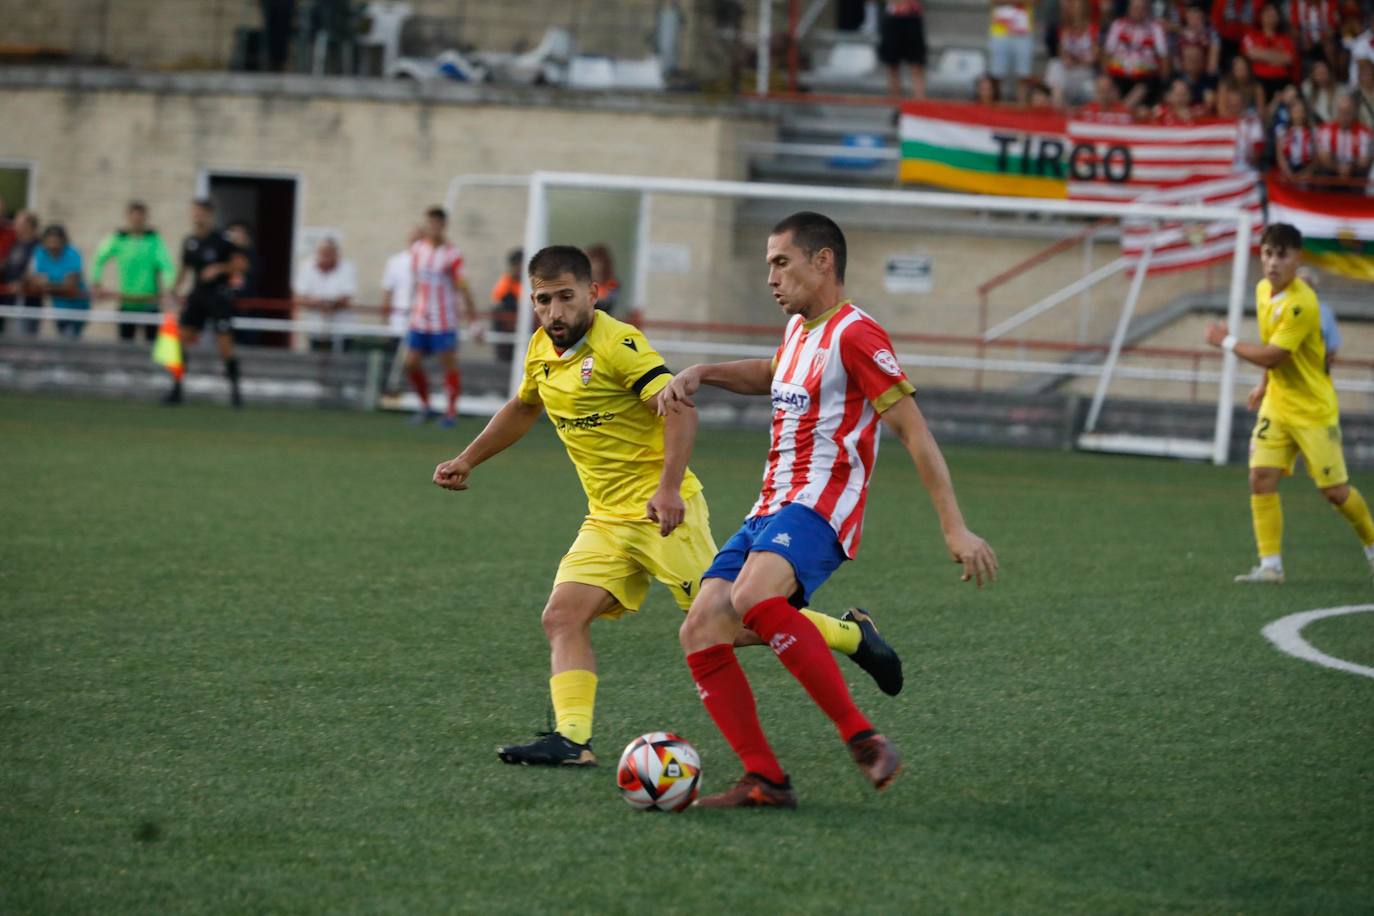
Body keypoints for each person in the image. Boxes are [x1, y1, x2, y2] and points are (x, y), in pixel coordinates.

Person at [431, 245, 902, 767]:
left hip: (662, 513)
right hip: (606, 517)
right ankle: (572, 739)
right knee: (562, 616)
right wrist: (468, 459)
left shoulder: (620, 345)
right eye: (544, 300)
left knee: (734, 620)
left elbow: (678, 407)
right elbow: (524, 406)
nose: (555, 311)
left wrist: (669, 488)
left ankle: (852, 635)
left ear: (593, 293)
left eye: (567, 297)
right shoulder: (543, 348)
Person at [657, 212, 997, 808]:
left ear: (823, 262)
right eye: (768, 265)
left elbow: (915, 433)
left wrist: (954, 525)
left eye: (780, 262)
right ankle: (765, 778)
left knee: (753, 598)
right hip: (770, 504)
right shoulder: (798, 331)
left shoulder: (857, 335)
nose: (771, 277)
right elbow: (771, 373)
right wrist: (704, 372)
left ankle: (861, 736)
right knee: (702, 626)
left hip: (822, 503)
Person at [1203, 223, 1374, 584]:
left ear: (1297, 258)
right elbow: (1274, 349)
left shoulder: (1302, 304)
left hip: (1313, 410)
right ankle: (1270, 566)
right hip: (1279, 406)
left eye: (1282, 254)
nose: (1273, 262)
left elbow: (1275, 354)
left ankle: (1372, 543)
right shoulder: (1264, 290)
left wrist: (1226, 341)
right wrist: (1264, 386)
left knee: (1334, 492)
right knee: (1260, 478)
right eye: (1267, 253)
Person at [404, 206, 478, 427]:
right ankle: (426, 406)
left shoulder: (452, 254)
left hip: (444, 320)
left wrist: (472, 319)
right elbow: (417, 283)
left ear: (444, 226)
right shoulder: (418, 249)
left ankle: (451, 413)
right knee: (410, 364)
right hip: (420, 319)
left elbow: (463, 287)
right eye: (430, 223)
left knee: (448, 365)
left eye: (437, 223)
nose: (433, 228)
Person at [169, 198, 247, 407]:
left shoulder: (221, 240)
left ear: (209, 214)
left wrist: (219, 268)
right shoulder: (190, 241)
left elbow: (240, 265)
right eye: (194, 212)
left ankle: (235, 393)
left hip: (218, 297)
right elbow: (184, 269)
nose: (197, 216)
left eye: (200, 212)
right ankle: (176, 390)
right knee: (179, 340)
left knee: (225, 347)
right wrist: (174, 290)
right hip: (198, 296)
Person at [91, 201, 177, 344]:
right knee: (125, 344)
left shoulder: (154, 240)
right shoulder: (119, 239)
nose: (137, 219)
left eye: (140, 216)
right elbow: (99, 258)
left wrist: (169, 288)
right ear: (128, 217)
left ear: (145, 218)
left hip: (149, 302)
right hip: (127, 301)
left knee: (152, 345)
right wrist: (96, 282)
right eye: (134, 215)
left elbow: (167, 265)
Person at [294, 236, 357, 352]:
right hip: (315, 329)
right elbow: (299, 298)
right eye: (323, 253)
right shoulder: (307, 267)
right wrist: (325, 303)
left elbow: (346, 298)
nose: (325, 257)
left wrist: (324, 303)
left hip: (341, 329)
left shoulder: (347, 267)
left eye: (329, 254)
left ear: (336, 255)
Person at [1105, 0, 1173, 104]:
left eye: (1142, 8)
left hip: (1145, 78)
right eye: (1135, 8)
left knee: (1141, 89)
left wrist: (1165, 83)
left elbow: (1164, 57)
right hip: (1119, 75)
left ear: (1146, 10)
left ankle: (1124, 110)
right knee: (1104, 85)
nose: (1138, 11)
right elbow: (1107, 53)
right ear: (1129, 9)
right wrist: (1106, 77)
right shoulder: (1118, 25)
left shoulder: (1155, 28)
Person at [380, 226, 422, 393]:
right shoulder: (396, 262)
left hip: (422, 322)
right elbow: (387, 290)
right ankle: (391, 389)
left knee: (414, 359)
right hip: (399, 320)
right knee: (395, 356)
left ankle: (411, 390)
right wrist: (384, 319)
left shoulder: (429, 261)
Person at [30, 225, 88, 339]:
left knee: (70, 339)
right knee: (63, 337)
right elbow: (34, 280)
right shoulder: (40, 252)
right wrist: (57, 286)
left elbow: (71, 287)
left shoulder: (73, 253)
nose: (52, 245)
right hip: (58, 306)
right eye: (49, 241)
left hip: (77, 306)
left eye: (56, 241)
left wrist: (47, 286)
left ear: (63, 241)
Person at [1242, 2, 1300, 103]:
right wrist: (1277, 57)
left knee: (1292, 92)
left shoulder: (1286, 39)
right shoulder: (1251, 36)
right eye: (1267, 13)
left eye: (1273, 13)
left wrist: (1261, 54)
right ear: (1260, 17)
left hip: (1282, 80)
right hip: (1259, 81)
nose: (1270, 16)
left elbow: (1288, 59)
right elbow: (1251, 53)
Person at [1045, 0, 1100, 106]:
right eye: (1074, 8)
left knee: (1092, 88)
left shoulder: (1093, 29)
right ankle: (1058, 106)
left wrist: (1076, 60)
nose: (1076, 12)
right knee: (1055, 65)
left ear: (1084, 10)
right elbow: (1061, 53)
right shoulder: (1065, 29)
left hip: (1085, 73)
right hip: (1069, 72)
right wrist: (1066, 58)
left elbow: (1094, 58)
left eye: (1078, 9)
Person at [1316, 90, 1373, 183]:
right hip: (1333, 169)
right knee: (1323, 172)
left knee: (1361, 174)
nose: (1344, 116)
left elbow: (1364, 161)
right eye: (1341, 112)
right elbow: (1324, 157)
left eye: (1348, 112)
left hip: (1355, 171)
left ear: (1354, 113)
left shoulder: (1364, 132)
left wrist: (1350, 168)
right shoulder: (1326, 130)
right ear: (1337, 112)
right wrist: (1338, 168)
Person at [0, 209, 40, 336]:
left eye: (18, 223)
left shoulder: (38, 247)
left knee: (23, 342)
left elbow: (34, 271)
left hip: (26, 304)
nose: (14, 225)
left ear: (28, 226)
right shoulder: (16, 244)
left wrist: (21, 283)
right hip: (9, 301)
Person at [879, 0, 928, 101]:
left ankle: (920, 102)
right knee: (892, 65)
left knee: (916, 64)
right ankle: (895, 102)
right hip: (893, 18)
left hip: (912, 17)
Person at [989, 0, 1036, 103]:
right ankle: (995, 108)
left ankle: (1021, 105)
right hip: (1000, 30)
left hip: (1023, 31)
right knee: (996, 74)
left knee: (1024, 73)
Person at [488, 247, 523, 363]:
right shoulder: (505, 284)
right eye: (517, 265)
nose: (520, 269)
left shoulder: (528, 283)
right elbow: (498, 305)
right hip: (508, 328)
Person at [1275, 91, 1320, 178]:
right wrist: (1289, 174)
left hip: (1307, 170)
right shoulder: (1282, 130)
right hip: (1289, 169)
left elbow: (1316, 157)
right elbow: (1280, 156)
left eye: (1301, 112)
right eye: (1296, 112)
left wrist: (1306, 174)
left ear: (1305, 114)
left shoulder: (1313, 131)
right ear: (1290, 113)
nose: (1299, 115)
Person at [586, 244, 621, 317]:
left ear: (602, 263)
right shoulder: (584, 282)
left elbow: (605, 305)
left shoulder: (612, 283)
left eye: (593, 261)